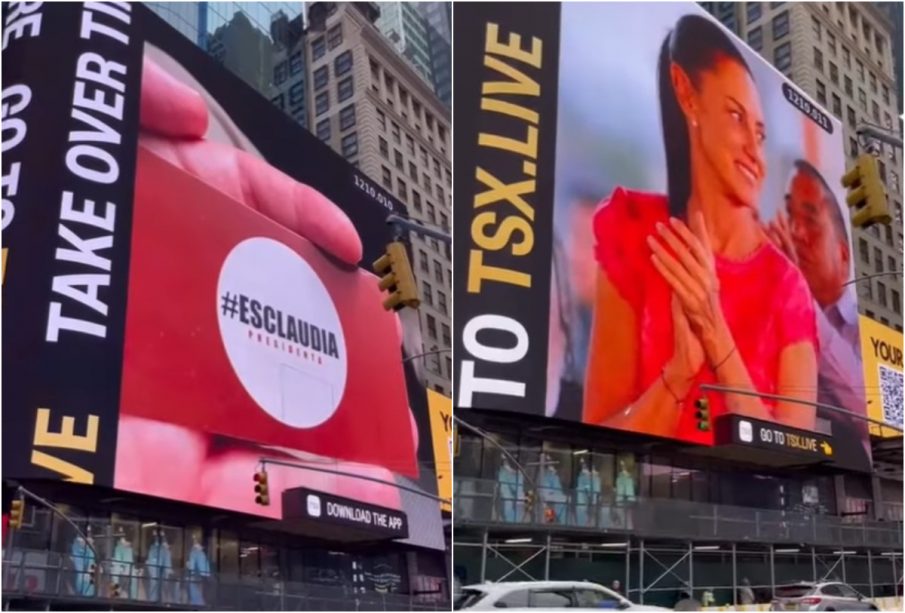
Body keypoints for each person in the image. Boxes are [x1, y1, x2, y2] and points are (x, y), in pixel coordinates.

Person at [583, 14, 819, 442]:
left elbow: (796, 448)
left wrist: (714, 331)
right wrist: (678, 373)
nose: (753, 149)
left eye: (760, 133)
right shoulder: (633, 230)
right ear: (685, 94)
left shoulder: (788, 288)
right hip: (650, 506)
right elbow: (599, 439)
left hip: (756, 509)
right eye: (735, 116)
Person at [764, 160, 870, 466]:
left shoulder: (863, 333)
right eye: (789, 214)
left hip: (842, 478)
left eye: (810, 220)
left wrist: (799, 294)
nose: (795, 231)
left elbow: (867, 413)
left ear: (843, 255)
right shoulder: (772, 295)